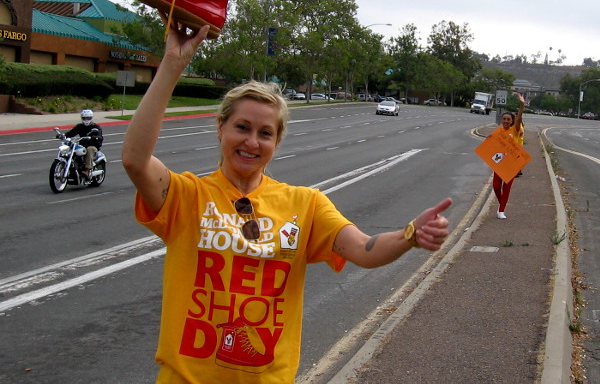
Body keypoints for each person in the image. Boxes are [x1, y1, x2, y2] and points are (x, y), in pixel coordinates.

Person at [121, 21, 452, 383]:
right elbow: (136, 160)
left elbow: (365, 249)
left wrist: (410, 234)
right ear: (220, 128)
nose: (252, 142)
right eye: (242, 127)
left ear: (277, 142)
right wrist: (172, 64)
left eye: (265, 133)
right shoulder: (187, 196)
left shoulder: (305, 204)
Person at [493, 94, 525, 219]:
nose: (506, 121)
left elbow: (519, 117)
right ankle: (502, 204)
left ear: (512, 121)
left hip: (512, 164)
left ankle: (501, 210)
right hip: (499, 163)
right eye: (504, 119)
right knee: (496, 187)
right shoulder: (498, 131)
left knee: (506, 188)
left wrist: (522, 104)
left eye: (508, 119)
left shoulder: (515, 131)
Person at [64, 109, 103, 178]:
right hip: (82, 146)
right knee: (74, 149)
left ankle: (88, 170)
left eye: (88, 118)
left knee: (89, 149)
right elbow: (71, 133)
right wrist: (63, 135)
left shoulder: (96, 127)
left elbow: (100, 137)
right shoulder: (80, 126)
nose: (86, 119)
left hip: (93, 146)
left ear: (91, 118)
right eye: (84, 118)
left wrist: (94, 137)